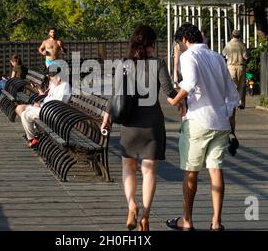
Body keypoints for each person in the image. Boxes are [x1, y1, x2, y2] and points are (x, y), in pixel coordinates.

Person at [101, 25, 178, 231]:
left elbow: (114, 95)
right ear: (152, 43)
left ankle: (131, 205)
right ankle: (145, 215)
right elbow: (170, 92)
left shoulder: (125, 64)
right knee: (149, 171)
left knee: (128, 167)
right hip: (152, 123)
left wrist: (106, 117)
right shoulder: (159, 63)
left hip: (130, 124)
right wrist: (185, 98)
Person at [165, 24, 238, 231]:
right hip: (220, 121)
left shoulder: (189, 57)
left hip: (198, 120)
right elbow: (232, 93)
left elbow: (190, 82)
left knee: (191, 171)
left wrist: (175, 100)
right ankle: (216, 221)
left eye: (179, 43)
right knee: (216, 170)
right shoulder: (217, 57)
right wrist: (231, 118)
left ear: (184, 40)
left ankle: (186, 220)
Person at [15, 66, 71, 148]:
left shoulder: (65, 87)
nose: (50, 79)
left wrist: (41, 105)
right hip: (45, 108)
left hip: (52, 112)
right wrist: (40, 103)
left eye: (51, 77)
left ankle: (32, 138)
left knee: (25, 114)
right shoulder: (56, 84)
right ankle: (33, 136)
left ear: (58, 77)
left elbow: (57, 104)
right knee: (20, 109)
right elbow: (48, 98)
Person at [222, 29, 248, 109]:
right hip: (240, 67)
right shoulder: (242, 45)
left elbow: (223, 54)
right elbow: (246, 57)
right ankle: (240, 102)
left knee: (232, 86)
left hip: (231, 67)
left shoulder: (228, 44)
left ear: (232, 35)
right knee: (241, 86)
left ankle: (232, 103)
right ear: (239, 36)